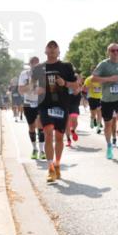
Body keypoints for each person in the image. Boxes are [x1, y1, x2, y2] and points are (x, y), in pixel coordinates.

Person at [31, 42, 76, 183]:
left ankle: (57, 164)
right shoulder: (38, 68)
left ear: (58, 51)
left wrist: (65, 83)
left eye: (54, 47)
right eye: (49, 47)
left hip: (62, 106)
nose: (51, 50)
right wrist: (35, 90)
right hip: (45, 105)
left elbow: (76, 85)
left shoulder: (66, 66)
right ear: (45, 51)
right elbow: (30, 86)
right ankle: (50, 168)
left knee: (59, 137)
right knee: (48, 134)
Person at [93, 43, 118, 161]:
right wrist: (108, 79)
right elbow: (93, 78)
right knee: (108, 124)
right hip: (107, 99)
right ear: (108, 52)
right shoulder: (103, 64)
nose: (115, 52)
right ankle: (109, 147)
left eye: (117, 50)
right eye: (112, 50)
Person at [18, 57, 46, 160]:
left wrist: (42, 90)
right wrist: (30, 85)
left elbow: (46, 89)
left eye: (37, 64)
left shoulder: (43, 74)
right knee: (31, 127)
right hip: (28, 103)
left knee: (40, 125)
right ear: (29, 64)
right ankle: (34, 149)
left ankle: (42, 150)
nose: (35, 65)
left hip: (40, 102)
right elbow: (21, 90)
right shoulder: (24, 74)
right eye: (33, 63)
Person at [65, 73, 82, 148]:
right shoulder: (69, 83)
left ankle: (71, 133)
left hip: (74, 104)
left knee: (72, 122)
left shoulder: (78, 85)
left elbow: (76, 92)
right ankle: (69, 138)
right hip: (67, 104)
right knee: (69, 123)